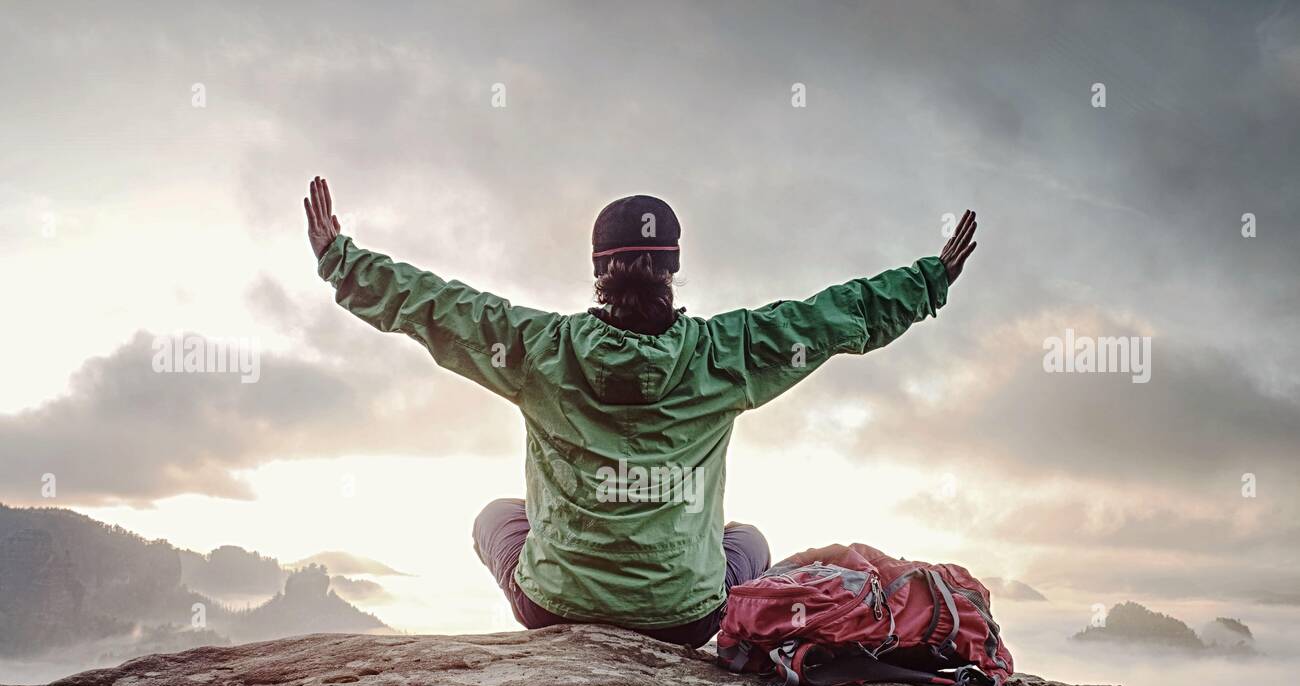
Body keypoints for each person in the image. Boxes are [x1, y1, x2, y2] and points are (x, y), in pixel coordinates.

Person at [304, 177, 977, 648]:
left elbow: (438, 309)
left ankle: (577, 568)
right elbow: (830, 318)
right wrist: (927, 282)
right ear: (671, 270)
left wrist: (343, 262)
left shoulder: (542, 349)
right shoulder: (726, 353)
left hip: (555, 607)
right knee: (749, 541)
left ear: (600, 271)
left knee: (493, 517)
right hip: (685, 619)